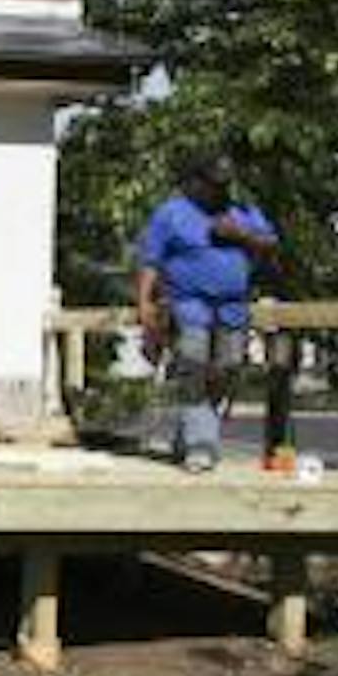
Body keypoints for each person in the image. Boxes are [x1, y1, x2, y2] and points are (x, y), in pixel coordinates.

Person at [135, 152, 281, 472]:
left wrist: (240, 235)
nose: (219, 191)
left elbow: (271, 244)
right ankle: (201, 447)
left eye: (224, 185)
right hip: (188, 303)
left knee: (227, 369)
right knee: (194, 367)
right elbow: (151, 261)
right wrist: (145, 304)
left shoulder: (242, 211)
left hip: (233, 304)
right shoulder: (170, 214)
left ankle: (188, 436)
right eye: (213, 184)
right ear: (195, 182)